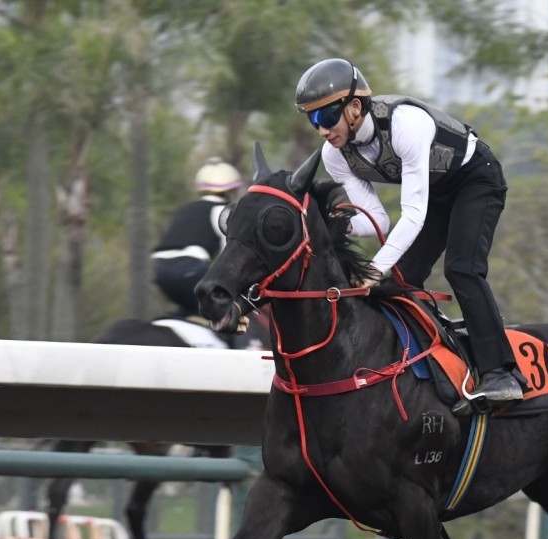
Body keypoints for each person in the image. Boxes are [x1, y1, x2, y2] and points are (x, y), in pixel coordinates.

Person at [294, 57, 524, 408]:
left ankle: (501, 374)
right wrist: (330, 226)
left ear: (355, 107)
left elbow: (414, 214)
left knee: (462, 268)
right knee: (398, 280)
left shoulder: (405, 123)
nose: (322, 129)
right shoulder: (335, 155)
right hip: (438, 192)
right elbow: (377, 221)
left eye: (325, 116)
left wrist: (374, 268)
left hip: (476, 179)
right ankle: (438, 362)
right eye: (313, 120)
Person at [152, 157, 243, 319]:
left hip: (160, 271)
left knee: (192, 309)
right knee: (232, 311)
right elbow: (227, 258)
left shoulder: (184, 209)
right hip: (191, 270)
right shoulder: (222, 211)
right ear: (230, 191)